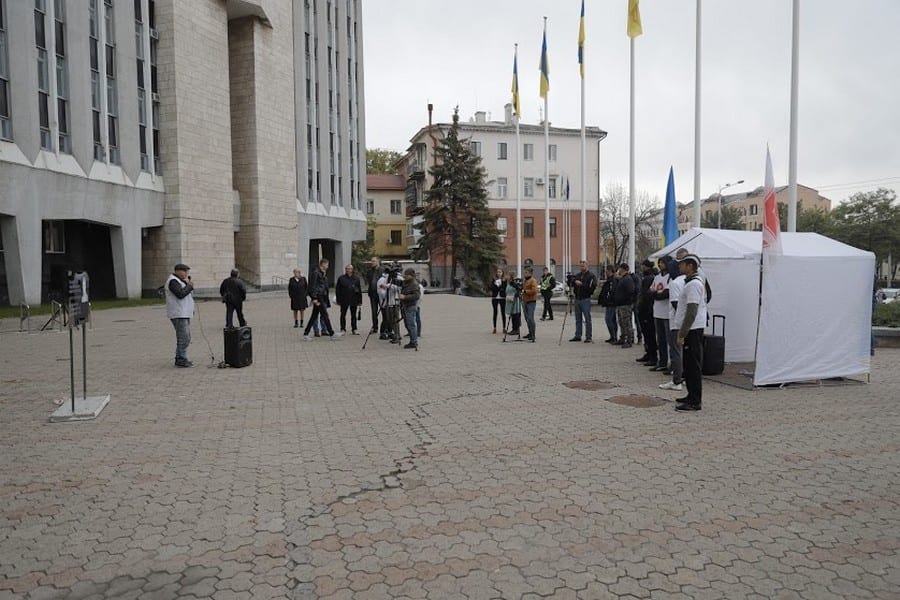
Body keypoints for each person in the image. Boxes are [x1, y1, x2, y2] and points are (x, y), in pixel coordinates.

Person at [672, 254, 707, 411]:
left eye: (682, 264)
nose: (680, 267)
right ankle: (691, 394)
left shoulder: (693, 284)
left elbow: (691, 311)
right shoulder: (691, 282)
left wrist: (682, 333)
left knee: (693, 366)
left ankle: (695, 401)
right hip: (691, 329)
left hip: (692, 330)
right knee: (689, 364)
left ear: (690, 266)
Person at [660, 257, 685, 392]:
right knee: (684, 352)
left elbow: (676, 304)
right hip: (687, 323)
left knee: (675, 351)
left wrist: (680, 321)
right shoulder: (689, 281)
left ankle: (677, 380)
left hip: (676, 322)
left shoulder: (675, 283)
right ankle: (683, 377)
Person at [165, 263, 196, 368]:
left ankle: (180, 358)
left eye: (187, 271)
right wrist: (189, 287)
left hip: (184, 313)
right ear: (178, 271)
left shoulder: (180, 281)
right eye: (185, 271)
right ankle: (181, 359)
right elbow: (180, 294)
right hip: (179, 313)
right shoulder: (173, 281)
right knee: (184, 337)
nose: (186, 274)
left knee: (185, 337)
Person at [303, 259, 339, 340]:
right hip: (318, 297)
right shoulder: (316, 273)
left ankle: (306, 333)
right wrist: (314, 298)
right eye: (327, 264)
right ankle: (332, 333)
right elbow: (312, 287)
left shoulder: (322, 274)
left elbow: (323, 287)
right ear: (323, 264)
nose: (328, 266)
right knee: (325, 315)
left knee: (314, 316)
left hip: (322, 297)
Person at [650, 257, 672, 372]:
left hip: (667, 313)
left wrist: (657, 294)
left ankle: (671, 364)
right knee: (661, 340)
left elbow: (665, 294)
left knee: (670, 341)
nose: (660, 265)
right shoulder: (657, 277)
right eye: (659, 263)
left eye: (662, 263)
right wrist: (656, 294)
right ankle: (662, 362)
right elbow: (651, 291)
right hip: (657, 312)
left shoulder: (671, 277)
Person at [635, 260, 658, 365]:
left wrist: (644, 307)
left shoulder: (650, 278)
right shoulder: (645, 277)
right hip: (644, 309)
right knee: (646, 334)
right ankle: (648, 353)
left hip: (647, 310)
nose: (641, 267)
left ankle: (652, 356)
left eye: (643, 265)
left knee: (650, 334)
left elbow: (646, 295)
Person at [569, 261, 597, 343]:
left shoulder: (591, 276)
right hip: (577, 298)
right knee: (578, 318)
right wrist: (572, 281)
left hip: (585, 298)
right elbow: (572, 284)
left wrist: (581, 284)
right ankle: (578, 335)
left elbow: (591, 287)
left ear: (587, 266)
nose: (582, 268)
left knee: (587, 318)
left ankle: (588, 336)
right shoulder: (578, 275)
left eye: (583, 266)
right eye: (580, 266)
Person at [613, 263, 636, 348]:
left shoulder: (627, 279)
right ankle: (623, 338)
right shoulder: (623, 278)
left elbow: (630, 291)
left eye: (620, 269)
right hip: (620, 304)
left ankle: (629, 340)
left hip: (625, 304)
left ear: (623, 269)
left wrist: (623, 298)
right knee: (621, 322)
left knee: (627, 323)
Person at [335, 264, 362, 335]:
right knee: (343, 314)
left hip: (354, 299)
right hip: (344, 299)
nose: (349, 270)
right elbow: (338, 290)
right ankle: (343, 329)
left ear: (352, 270)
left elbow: (359, 290)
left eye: (350, 269)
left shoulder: (356, 278)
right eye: (347, 269)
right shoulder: (341, 278)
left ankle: (354, 329)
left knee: (353, 315)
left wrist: (360, 301)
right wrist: (338, 299)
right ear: (345, 269)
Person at [398, 268, 421, 349]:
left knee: (411, 324)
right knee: (407, 324)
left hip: (410, 306)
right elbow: (400, 284)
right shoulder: (406, 282)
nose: (405, 276)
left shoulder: (414, 284)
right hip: (405, 305)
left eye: (406, 275)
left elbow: (416, 296)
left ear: (411, 275)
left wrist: (405, 297)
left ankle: (414, 342)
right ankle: (412, 339)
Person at [378, 268, 402, 342]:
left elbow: (398, 289)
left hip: (395, 303)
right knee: (390, 320)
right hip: (389, 303)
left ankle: (397, 335)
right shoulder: (386, 279)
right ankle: (395, 334)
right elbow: (382, 291)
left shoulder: (399, 279)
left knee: (395, 320)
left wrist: (388, 286)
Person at [598, 265, 618, 343]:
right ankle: (613, 336)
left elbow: (612, 292)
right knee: (612, 320)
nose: (606, 272)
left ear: (610, 271)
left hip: (611, 303)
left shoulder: (613, 281)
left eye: (607, 271)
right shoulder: (610, 280)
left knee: (608, 319)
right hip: (609, 302)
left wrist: (608, 299)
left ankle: (614, 337)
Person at [521, 266, 539, 342]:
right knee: (527, 318)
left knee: (530, 318)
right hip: (524, 301)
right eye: (524, 272)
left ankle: (533, 334)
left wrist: (525, 291)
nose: (525, 274)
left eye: (526, 272)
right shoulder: (525, 281)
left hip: (531, 301)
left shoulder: (533, 280)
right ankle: (530, 332)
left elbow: (534, 290)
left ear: (530, 273)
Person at [504, 270, 522, 337]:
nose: (506, 277)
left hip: (514, 300)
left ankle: (516, 329)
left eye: (507, 275)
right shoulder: (508, 283)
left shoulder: (514, 282)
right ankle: (513, 328)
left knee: (515, 315)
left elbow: (518, 289)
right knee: (512, 315)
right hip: (509, 300)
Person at [489, 268, 507, 334]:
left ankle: (504, 328)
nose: (499, 273)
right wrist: (499, 287)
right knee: (495, 312)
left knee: (503, 313)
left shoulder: (504, 280)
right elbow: (492, 288)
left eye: (500, 272)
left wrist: (497, 287)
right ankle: (494, 328)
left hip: (502, 298)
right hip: (495, 297)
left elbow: (504, 288)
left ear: (502, 273)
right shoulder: (494, 280)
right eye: (498, 272)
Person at [366, 257, 382, 334]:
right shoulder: (370, 271)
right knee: (374, 311)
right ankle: (375, 327)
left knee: (384, 311)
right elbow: (369, 280)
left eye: (374, 261)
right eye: (371, 261)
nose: (372, 262)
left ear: (378, 261)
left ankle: (385, 327)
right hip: (373, 294)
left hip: (381, 294)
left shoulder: (382, 270)